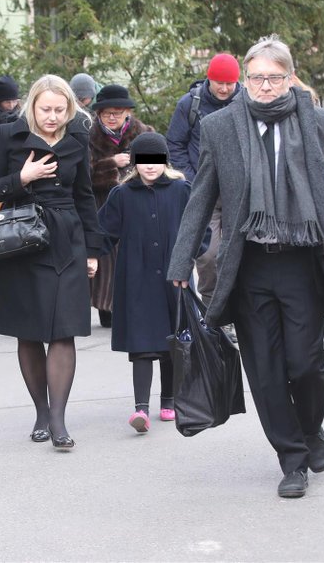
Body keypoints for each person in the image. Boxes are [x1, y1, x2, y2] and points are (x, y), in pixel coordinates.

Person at [167, 35, 324, 499]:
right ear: (244, 79)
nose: (263, 86)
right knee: (266, 370)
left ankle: (311, 427)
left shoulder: (316, 122)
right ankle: (291, 459)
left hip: (300, 261)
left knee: (306, 362)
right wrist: (182, 260)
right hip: (250, 265)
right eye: (255, 78)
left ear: (289, 78)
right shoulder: (221, 127)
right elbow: (203, 195)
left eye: (273, 78)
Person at [0, 74, 103, 450]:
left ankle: (60, 421)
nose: (52, 117)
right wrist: (22, 177)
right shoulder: (6, 136)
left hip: (67, 239)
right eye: (45, 109)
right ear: (31, 106)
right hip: (22, 239)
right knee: (29, 331)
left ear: (70, 109)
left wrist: (94, 250)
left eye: (59, 110)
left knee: (64, 329)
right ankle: (41, 413)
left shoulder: (77, 140)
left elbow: (85, 197)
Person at [98, 132, 209, 432]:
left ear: (165, 161)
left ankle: (170, 400)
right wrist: (89, 255)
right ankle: (141, 409)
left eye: (156, 160)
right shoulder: (121, 195)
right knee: (142, 344)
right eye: (143, 161)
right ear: (134, 162)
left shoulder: (181, 189)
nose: (150, 166)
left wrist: (191, 258)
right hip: (136, 279)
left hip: (175, 279)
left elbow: (199, 226)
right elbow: (103, 232)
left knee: (172, 341)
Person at [166, 53, 242, 311]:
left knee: (238, 254)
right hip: (204, 191)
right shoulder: (190, 104)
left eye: (229, 83)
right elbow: (174, 144)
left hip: (239, 193)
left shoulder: (247, 102)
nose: (223, 88)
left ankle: (238, 310)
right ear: (209, 79)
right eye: (218, 82)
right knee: (208, 257)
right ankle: (213, 312)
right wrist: (192, 178)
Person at [88, 84, 153, 328]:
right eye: (106, 113)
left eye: (117, 111)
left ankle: (138, 307)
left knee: (138, 258)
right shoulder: (88, 138)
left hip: (139, 208)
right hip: (102, 207)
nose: (112, 117)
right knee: (107, 261)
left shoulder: (144, 134)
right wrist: (110, 164)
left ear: (127, 111)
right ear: (98, 115)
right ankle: (108, 308)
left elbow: (160, 171)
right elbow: (81, 177)